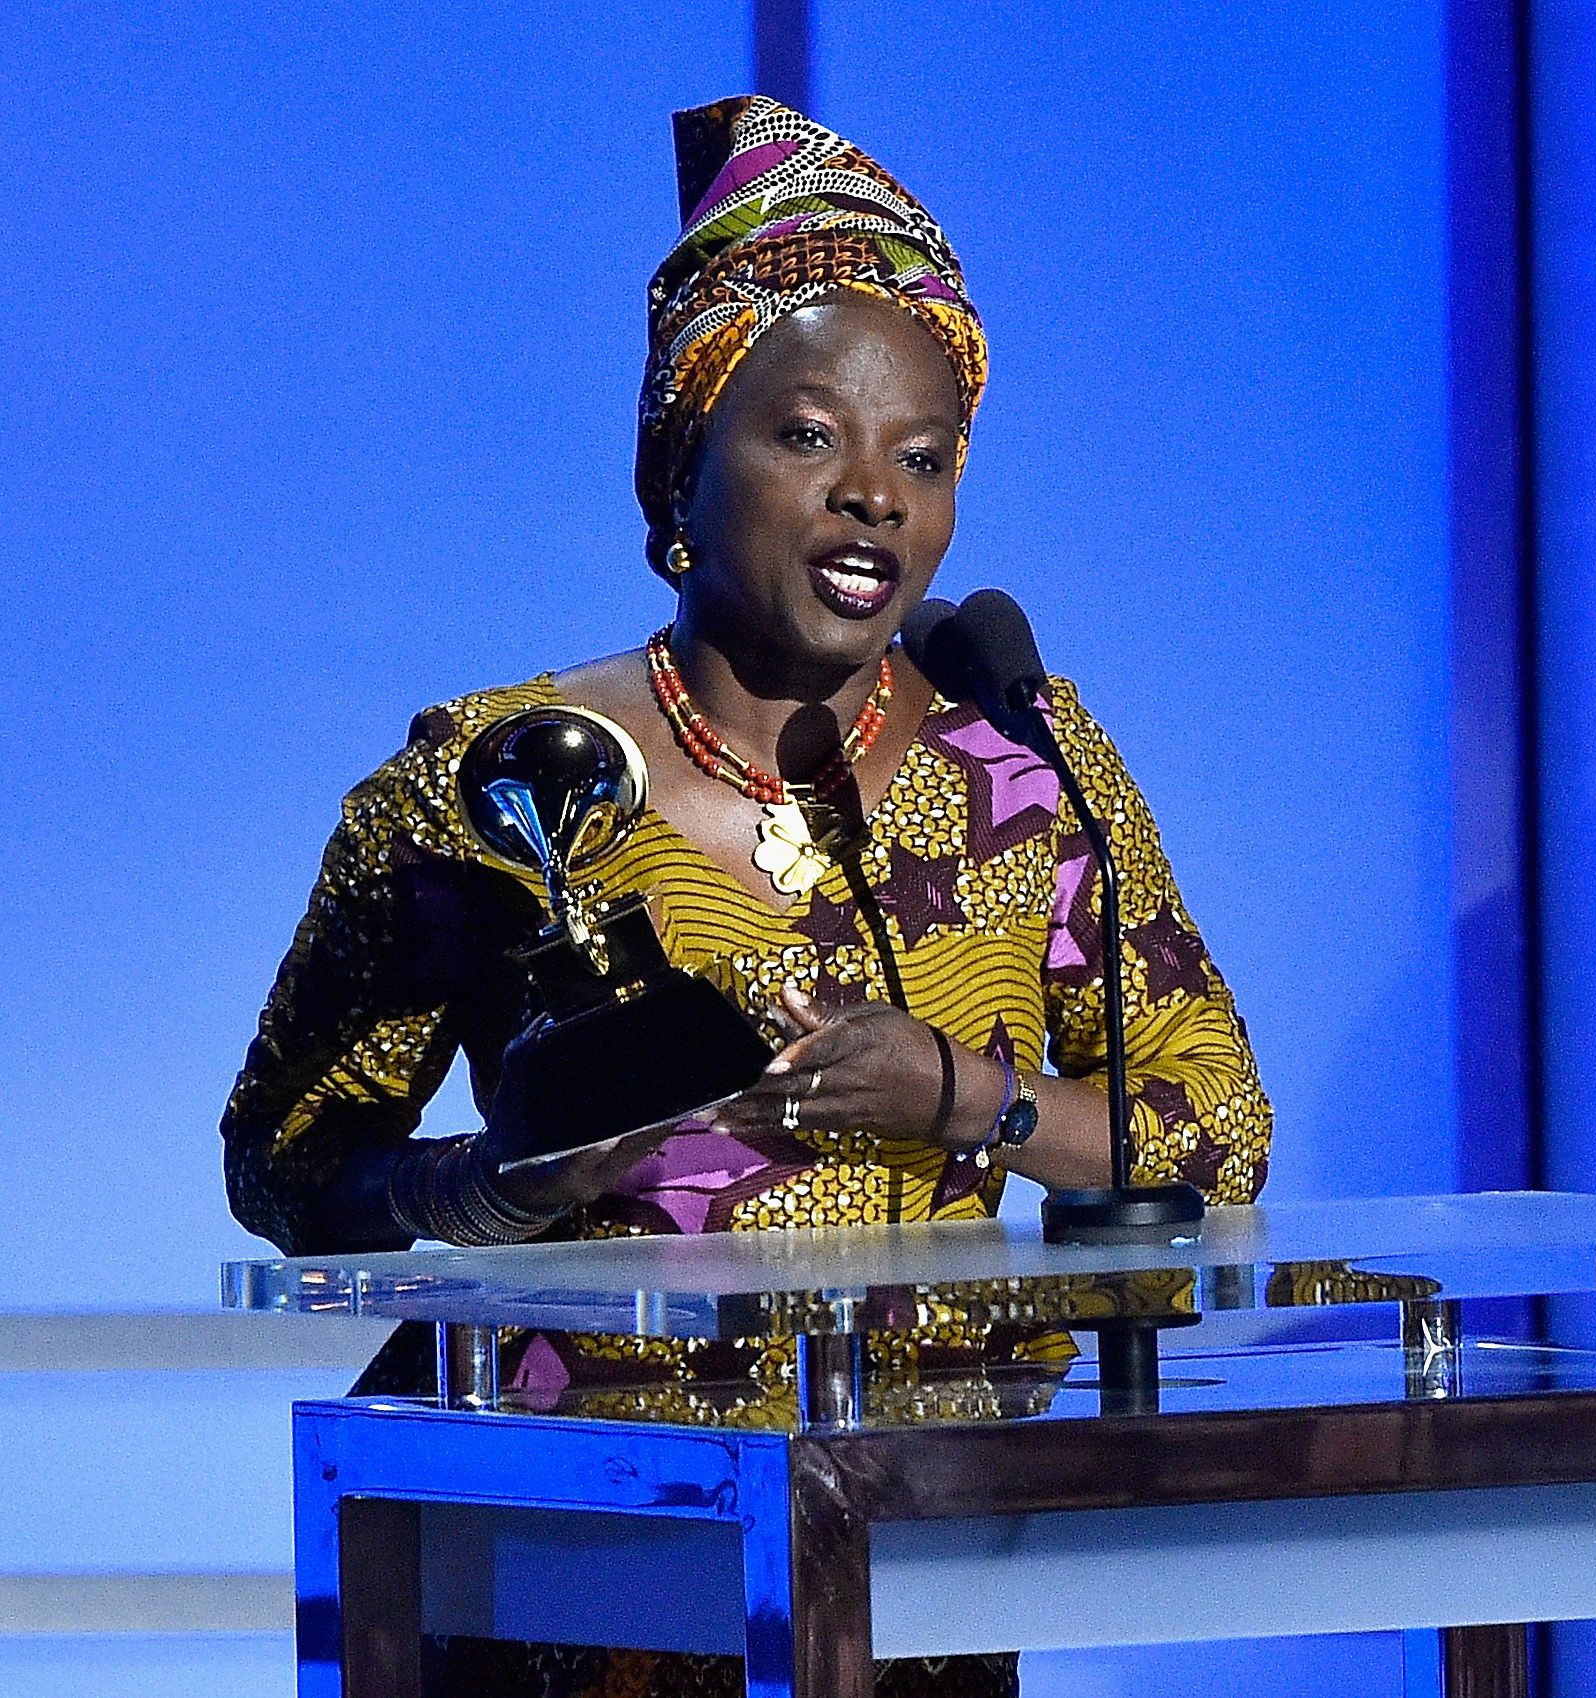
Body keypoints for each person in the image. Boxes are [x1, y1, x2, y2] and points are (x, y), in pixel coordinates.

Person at [220, 95, 1272, 1698]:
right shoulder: (489, 778)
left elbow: (1212, 1124)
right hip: (564, 1568)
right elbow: (289, 1160)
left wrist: (962, 1093)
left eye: (922, 458)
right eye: (808, 437)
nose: (875, 496)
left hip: (908, 1563)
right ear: (680, 456)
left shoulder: (1026, 764)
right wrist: (506, 1186)